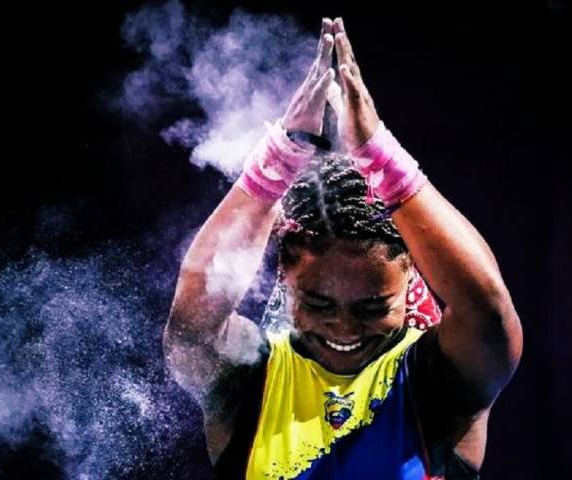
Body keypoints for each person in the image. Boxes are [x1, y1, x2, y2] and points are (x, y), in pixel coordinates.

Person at [163, 16, 522, 480]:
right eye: (317, 302)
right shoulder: (249, 380)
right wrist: (277, 159)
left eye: (373, 306)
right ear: (285, 281)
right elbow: (190, 327)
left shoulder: (438, 385)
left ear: (413, 272)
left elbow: (488, 311)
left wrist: (379, 154)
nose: (345, 327)